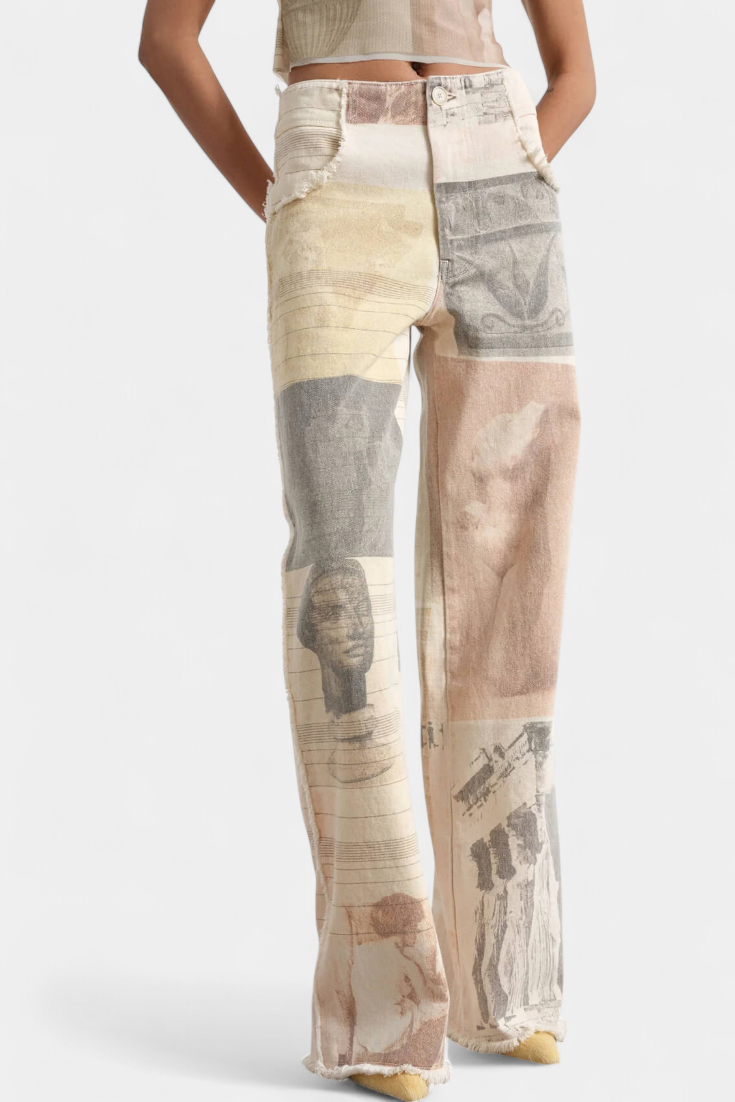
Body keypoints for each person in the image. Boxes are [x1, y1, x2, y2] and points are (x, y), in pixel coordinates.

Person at [138, 2, 595, 1098]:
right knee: (339, 575)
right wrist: (285, 196)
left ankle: (503, 982)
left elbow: (576, 69)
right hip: (336, 166)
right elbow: (165, 38)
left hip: (499, 171)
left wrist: (510, 157)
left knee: (513, 584)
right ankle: (383, 1004)